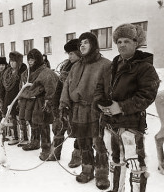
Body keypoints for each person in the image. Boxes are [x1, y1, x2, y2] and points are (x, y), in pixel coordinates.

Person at [95, 23, 160, 192]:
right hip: (110, 125)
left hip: (131, 126)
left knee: (135, 164)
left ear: (135, 42)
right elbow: (99, 89)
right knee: (115, 161)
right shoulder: (110, 66)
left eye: (126, 41)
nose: (122, 44)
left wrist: (121, 107)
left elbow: (147, 95)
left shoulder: (145, 68)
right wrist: (100, 104)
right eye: (119, 41)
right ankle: (116, 189)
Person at [59, 32, 111, 189]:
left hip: (96, 110)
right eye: (80, 43)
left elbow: (109, 90)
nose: (82, 45)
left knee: (99, 143)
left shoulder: (105, 64)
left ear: (94, 45)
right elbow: (67, 87)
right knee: (83, 142)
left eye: (86, 42)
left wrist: (107, 109)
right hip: (78, 110)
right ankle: (87, 170)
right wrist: (64, 104)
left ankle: (102, 175)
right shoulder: (76, 66)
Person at [19, 48, 58, 161]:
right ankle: (34, 142)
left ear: (38, 60)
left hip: (41, 102)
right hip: (29, 101)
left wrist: (48, 101)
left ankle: (46, 148)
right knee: (32, 122)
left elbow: (51, 88)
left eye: (32, 60)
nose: (30, 62)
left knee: (43, 124)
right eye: (29, 60)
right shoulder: (27, 73)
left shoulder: (46, 73)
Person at [48, 39, 82, 169]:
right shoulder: (65, 66)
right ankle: (54, 152)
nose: (69, 56)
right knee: (58, 128)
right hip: (62, 104)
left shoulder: (83, 67)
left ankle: (77, 156)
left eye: (72, 53)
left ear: (79, 53)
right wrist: (55, 103)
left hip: (76, 106)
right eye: (68, 54)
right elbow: (59, 87)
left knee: (78, 132)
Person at [2, 51, 27, 145]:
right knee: (12, 119)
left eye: (14, 61)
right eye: (10, 61)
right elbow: (3, 88)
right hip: (8, 98)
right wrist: (2, 98)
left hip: (18, 98)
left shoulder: (22, 73)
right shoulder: (7, 72)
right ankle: (15, 137)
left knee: (21, 118)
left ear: (18, 62)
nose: (11, 63)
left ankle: (25, 137)